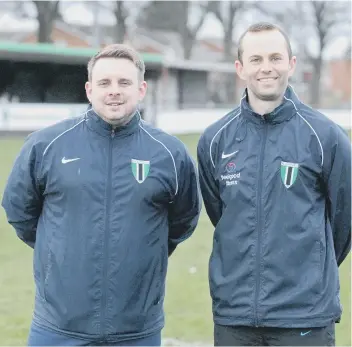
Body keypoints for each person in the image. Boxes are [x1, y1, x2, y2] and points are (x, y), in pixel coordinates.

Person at [2, 44, 201, 346]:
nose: (114, 91)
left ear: (141, 88)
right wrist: (60, 252)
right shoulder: (45, 146)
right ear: (89, 88)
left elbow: (182, 221)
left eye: (124, 82)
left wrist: (143, 252)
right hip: (58, 326)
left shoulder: (170, 154)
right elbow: (20, 213)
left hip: (137, 330)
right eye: (105, 83)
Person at [197, 22, 351, 347]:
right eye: (255, 59)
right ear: (240, 68)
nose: (266, 68)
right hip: (234, 317)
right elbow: (221, 215)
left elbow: (344, 222)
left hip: (304, 316)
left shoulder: (326, 137)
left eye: (275, 58)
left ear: (291, 64)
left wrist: (308, 270)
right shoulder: (215, 140)